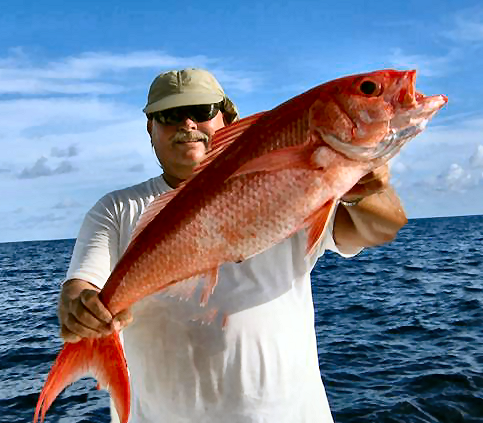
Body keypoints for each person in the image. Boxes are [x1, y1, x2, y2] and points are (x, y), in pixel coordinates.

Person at [58, 68, 407, 423]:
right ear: (151, 129)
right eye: (169, 115)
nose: (188, 123)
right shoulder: (116, 209)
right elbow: (82, 286)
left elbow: (382, 227)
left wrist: (367, 183)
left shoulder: (291, 185)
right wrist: (79, 310)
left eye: (203, 110)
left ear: (228, 118)